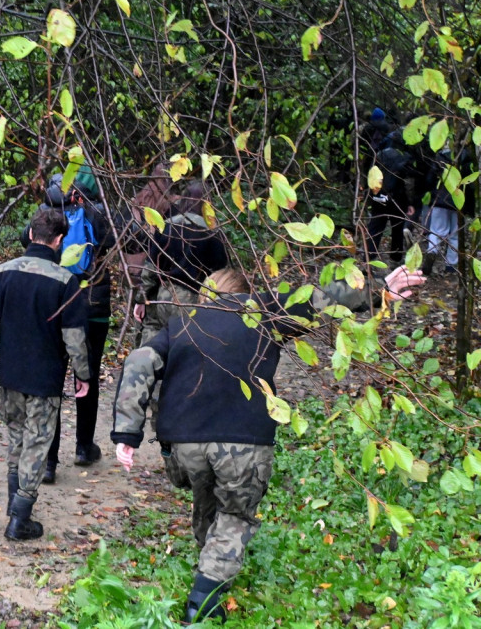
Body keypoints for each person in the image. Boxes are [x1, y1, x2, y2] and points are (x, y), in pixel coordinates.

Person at [112, 266, 425, 622]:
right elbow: (322, 299)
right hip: (244, 440)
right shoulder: (262, 312)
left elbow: (138, 361)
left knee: (207, 493)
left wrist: (127, 433)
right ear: (244, 292)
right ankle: (204, 600)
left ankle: (211, 556)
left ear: (206, 293)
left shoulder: (183, 323)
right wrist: (381, 288)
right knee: (235, 513)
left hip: (183, 444)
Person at [0, 208, 91, 540]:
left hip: (9, 375)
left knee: (16, 440)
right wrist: (83, 374)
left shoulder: (4, 273)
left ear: (30, 234)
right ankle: (20, 518)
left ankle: (15, 507)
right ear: (58, 240)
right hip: (44, 378)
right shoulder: (66, 282)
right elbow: (74, 337)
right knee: (37, 444)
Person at [20, 165, 111, 484]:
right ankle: (84, 447)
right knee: (87, 375)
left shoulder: (43, 212)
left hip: (54, 301)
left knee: (52, 379)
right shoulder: (98, 211)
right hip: (92, 302)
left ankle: (49, 462)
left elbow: (24, 239)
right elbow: (117, 240)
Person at [134, 181, 228, 346]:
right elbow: (221, 278)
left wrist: (141, 300)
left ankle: (141, 366)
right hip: (192, 300)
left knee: (153, 335)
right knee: (185, 346)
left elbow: (150, 270)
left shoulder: (166, 227)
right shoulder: (212, 235)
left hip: (163, 295)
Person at [365, 131, 418, 265]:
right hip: (397, 199)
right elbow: (408, 182)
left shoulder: (379, 155)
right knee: (397, 229)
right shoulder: (406, 157)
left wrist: (371, 194)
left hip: (379, 196)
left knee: (375, 227)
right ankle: (395, 259)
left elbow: (371, 174)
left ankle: (368, 257)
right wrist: (410, 202)